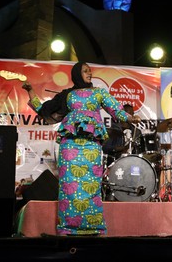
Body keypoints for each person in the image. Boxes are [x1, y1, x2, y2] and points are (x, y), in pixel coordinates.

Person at [50, 61, 140, 235]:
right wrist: (31, 92)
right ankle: (67, 228)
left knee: (91, 184)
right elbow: (47, 110)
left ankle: (93, 227)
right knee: (69, 185)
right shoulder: (67, 95)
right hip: (69, 144)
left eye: (90, 71)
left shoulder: (99, 93)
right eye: (85, 71)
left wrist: (130, 118)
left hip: (91, 145)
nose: (89, 73)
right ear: (77, 74)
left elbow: (116, 109)